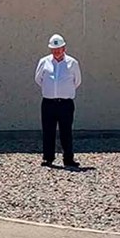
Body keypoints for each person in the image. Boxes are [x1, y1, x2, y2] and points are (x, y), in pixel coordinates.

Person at [35, 34, 82, 167]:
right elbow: (38, 79)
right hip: (48, 103)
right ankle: (48, 158)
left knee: (66, 131)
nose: (56, 51)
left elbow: (77, 81)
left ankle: (68, 158)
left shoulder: (72, 63)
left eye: (58, 49)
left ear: (64, 48)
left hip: (65, 104)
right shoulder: (44, 61)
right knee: (48, 131)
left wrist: (63, 91)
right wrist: (51, 90)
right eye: (53, 49)